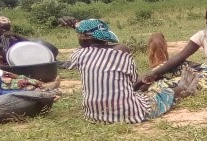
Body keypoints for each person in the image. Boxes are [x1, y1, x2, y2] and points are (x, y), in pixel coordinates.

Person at [69, 19, 198, 124]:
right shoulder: (121, 50)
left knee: (142, 91)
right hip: (129, 114)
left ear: (82, 39)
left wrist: (78, 27)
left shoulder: (77, 55)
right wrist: (144, 82)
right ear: (105, 37)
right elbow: (132, 84)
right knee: (158, 94)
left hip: (93, 115)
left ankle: (179, 89)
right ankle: (181, 88)